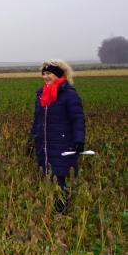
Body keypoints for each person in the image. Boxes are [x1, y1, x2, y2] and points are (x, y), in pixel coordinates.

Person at [28, 59, 85, 213]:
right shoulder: (42, 95)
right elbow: (37, 120)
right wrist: (31, 140)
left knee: (62, 179)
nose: (45, 77)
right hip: (44, 146)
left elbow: (77, 119)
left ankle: (64, 215)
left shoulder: (69, 94)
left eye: (49, 74)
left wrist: (79, 140)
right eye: (44, 74)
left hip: (63, 145)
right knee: (47, 179)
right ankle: (52, 214)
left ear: (59, 75)